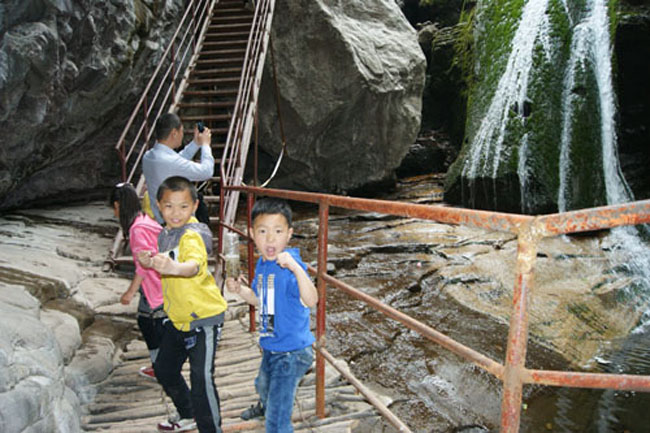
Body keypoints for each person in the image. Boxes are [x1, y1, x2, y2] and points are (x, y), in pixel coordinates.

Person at [138, 176, 228, 433]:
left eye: (183, 206)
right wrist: (150, 262)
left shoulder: (193, 235)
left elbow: (193, 265)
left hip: (203, 319)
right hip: (177, 318)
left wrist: (174, 268)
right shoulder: (166, 233)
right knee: (164, 369)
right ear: (158, 205)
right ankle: (188, 414)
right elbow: (169, 259)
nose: (175, 213)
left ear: (195, 206)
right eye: (169, 206)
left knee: (201, 379)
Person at [225, 197, 318, 433]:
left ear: (289, 234)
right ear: (252, 233)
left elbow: (312, 300)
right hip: (271, 344)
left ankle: (274, 417)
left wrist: (296, 268)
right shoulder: (263, 264)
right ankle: (266, 405)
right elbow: (260, 300)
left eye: (278, 231)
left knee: (277, 419)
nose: (270, 239)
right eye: (263, 231)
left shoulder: (290, 268)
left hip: (291, 353)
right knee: (263, 385)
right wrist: (240, 290)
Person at [110, 182, 164, 380]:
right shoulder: (144, 220)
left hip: (155, 283)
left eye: (114, 208)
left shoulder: (137, 229)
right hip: (161, 280)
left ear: (118, 205)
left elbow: (143, 265)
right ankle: (161, 365)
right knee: (152, 322)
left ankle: (161, 368)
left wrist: (130, 292)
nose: (114, 212)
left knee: (148, 323)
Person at [142, 112, 214, 225]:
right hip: (178, 225)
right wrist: (205, 145)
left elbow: (177, 160)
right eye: (181, 131)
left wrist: (196, 143)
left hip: (162, 220)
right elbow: (207, 171)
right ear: (174, 133)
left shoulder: (148, 157)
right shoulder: (169, 162)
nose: (182, 135)